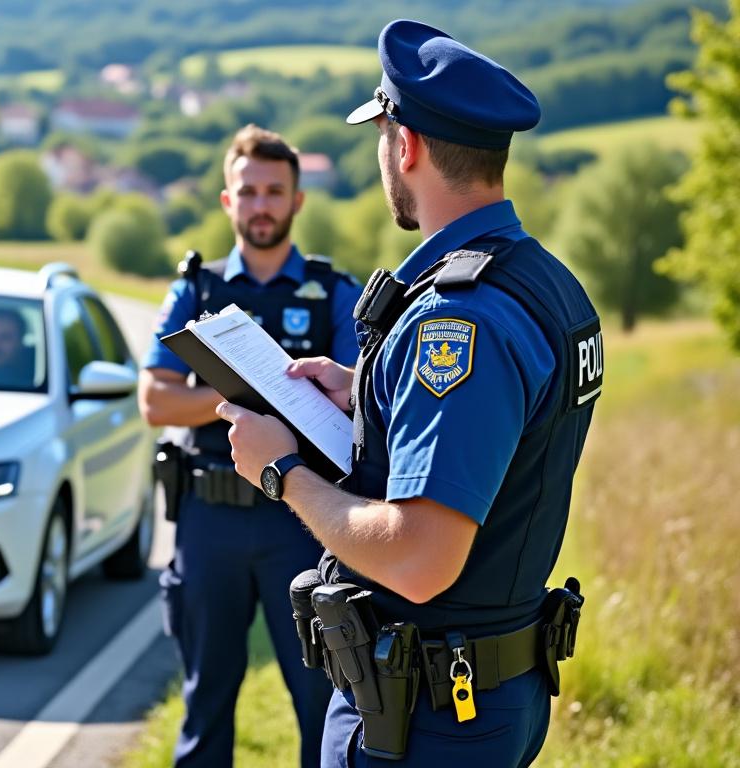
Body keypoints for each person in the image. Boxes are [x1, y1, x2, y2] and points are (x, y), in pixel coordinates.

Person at [217, 20, 601, 766]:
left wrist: (281, 472)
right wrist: (367, 391)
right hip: (483, 691)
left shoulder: (455, 321)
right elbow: (508, 427)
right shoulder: (543, 281)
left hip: (424, 715)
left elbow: (420, 560)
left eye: (381, 134)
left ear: (408, 146)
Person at [139, 124, 362, 768]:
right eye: (248, 192)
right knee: (205, 699)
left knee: (322, 701)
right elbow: (155, 402)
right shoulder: (196, 290)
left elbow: (355, 407)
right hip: (209, 517)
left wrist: (220, 396)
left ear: (297, 200)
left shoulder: (333, 291)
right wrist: (254, 394)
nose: (260, 205)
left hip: (302, 518)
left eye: (274, 191)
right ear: (226, 201)